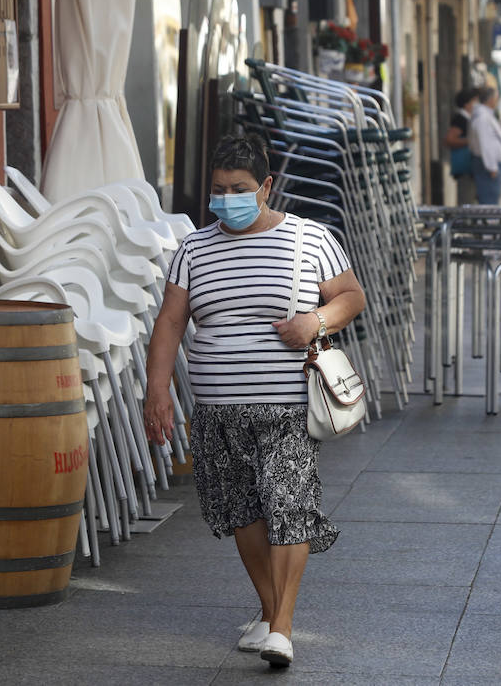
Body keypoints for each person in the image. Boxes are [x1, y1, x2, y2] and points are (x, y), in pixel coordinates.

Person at [143, 134, 367, 668]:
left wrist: (315, 321)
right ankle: (270, 613)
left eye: (239, 189)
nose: (227, 199)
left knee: (289, 506)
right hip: (218, 410)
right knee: (243, 513)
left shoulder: (310, 239)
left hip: (288, 404)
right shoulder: (193, 249)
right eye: (218, 191)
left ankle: (282, 629)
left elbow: (351, 297)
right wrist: (157, 391)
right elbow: (171, 321)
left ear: (266, 186)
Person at [468, 86, 501, 204]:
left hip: (491, 165)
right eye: (496, 98)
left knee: (492, 197)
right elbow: (485, 143)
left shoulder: (485, 115)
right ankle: (489, 222)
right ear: (490, 99)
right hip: (488, 166)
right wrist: (492, 167)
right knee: (489, 199)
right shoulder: (482, 117)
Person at [446, 88, 481, 204]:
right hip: (464, 168)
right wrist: (471, 141)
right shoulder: (460, 119)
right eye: (474, 101)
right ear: (467, 104)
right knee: (466, 200)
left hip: (470, 168)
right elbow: (449, 140)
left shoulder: (469, 118)